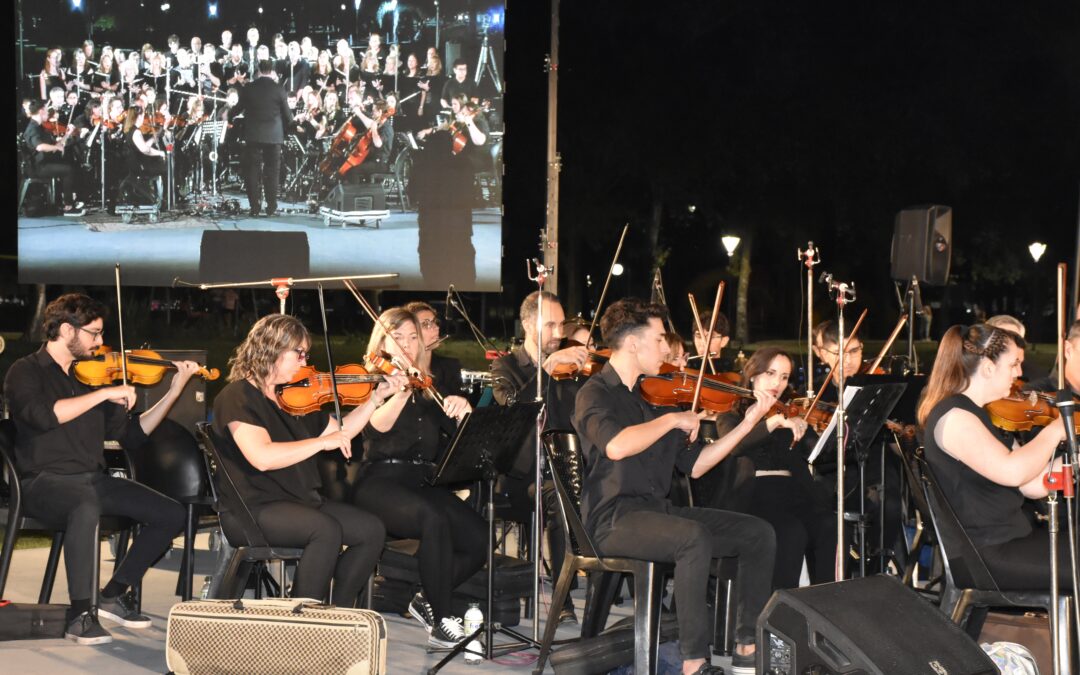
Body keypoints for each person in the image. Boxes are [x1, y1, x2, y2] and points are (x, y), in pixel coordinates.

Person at [574, 298, 776, 675]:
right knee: (692, 537)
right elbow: (616, 445)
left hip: (658, 514)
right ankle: (693, 662)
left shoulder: (659, 398)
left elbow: (697, 466)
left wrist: (750, 423)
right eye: (660, 338)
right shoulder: (595, 393)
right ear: (633, 343)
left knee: (756, 532)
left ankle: (747, 646)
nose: (668, 348)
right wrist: (671, 423)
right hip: (612, 519)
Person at [3, 293, 201, 645]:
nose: (100, 341)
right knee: (85, 504)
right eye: (93, 333)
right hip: (42, 483)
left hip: (91, 479)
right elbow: (43, 416)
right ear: (67, 330)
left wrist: (173, 391)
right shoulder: (26, 371)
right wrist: (102, 396)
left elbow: (133, 435)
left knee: (170, 513)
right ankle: (80, 614)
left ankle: (113, 594)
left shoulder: (93, 376)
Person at [210, 313, 401, 608]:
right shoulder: (237, 397)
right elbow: (261, 457)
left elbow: (342, 433)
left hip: (298, 501)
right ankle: (302, 622)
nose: (304, 362)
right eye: (298, 353)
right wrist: (320, 442)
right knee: (324, 530)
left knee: (371, 529)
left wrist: (375, 399)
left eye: (305, 354)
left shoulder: (295, 396)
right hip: (252, 509)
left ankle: (337, 609)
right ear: (271, 349)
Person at [350, 308, 485, 649]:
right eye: (398, 339)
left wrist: (461, 414)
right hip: (378, 481)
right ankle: (441, 621)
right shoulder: (371, 380)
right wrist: (398, 392)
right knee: (433, 518)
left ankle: (427, 597)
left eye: (413, 338)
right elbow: (374, 429)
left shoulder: (428, 384)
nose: (408, 345)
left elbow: (454, 443)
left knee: (479, 538)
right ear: (382, 343)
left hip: (420, 481)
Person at [918, 323, 1069, 590]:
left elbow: (1031, 485)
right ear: (988, 367)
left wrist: (1072, 456)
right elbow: (1012, 472)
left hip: (1009, 542)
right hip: (987, 554)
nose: (1020, 373)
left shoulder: (982, 414)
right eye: (1013, 364)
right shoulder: (955, 418)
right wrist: (1056, 430)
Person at [491, 291, 589, 623]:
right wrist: (546, 369)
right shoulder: (506, 365)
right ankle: (562, 601)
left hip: (566, 468)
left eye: (562, 324)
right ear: (528, 324)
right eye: (551, 325)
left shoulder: (570, 368)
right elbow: (514, 408)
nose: (560, 333)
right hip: (524, 477)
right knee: (559, 499)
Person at [705, 347, 836, 589]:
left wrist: (819, 431)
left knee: (830, 524)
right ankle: (778, 616)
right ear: (753, 374)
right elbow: (737, 445)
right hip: (755, 495)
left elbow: (821, 456)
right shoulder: (731, 414)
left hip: (794, 492)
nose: (778, 383)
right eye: (771, 373)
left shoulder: (788, 414)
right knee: (791, 531)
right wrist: (772, 422)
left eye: (784, 377)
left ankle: (824, 605)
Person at [229, 58, 293, 217]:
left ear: (258, 70)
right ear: (272, 71)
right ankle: (271, 207)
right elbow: (287, 115)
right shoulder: (279, 89)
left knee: (252, 172)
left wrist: (229, 116)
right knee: (272, 173)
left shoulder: (250, 88)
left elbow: (237, 109)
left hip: (254, 136)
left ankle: (255, 208)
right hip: (274, 137)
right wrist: (291, 125)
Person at [23, 100, 84, 216]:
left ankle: (68, 200)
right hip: (38, 167)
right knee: (68, 170)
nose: (48, 113)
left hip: (44, 162)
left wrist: (68, 134)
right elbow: (40, 147)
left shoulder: (40, 127)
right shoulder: (33, 128)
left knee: (71, 164)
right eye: (46, 111)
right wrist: (55, 148)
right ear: (41, 111)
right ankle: (68, 206)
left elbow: (57, 146)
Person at [404, 301, 464, 399]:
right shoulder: (401, 371)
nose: (436, 328)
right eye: (426, 324)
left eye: (435, 322)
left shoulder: (450, 367)